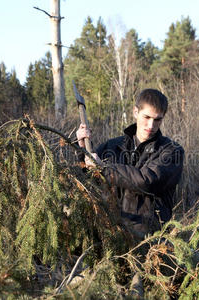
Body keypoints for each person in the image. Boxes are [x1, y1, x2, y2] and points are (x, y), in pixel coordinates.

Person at [76, 88, 184, 239]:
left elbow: (147, 181)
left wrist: (104, 168)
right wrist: (82, 148)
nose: (151, 125)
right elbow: (89, 176)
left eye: (157, 119)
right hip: (112, 233)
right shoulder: (112, 146)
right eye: (146, 117)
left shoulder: (172, 151)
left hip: (149, 239)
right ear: (135, 112)